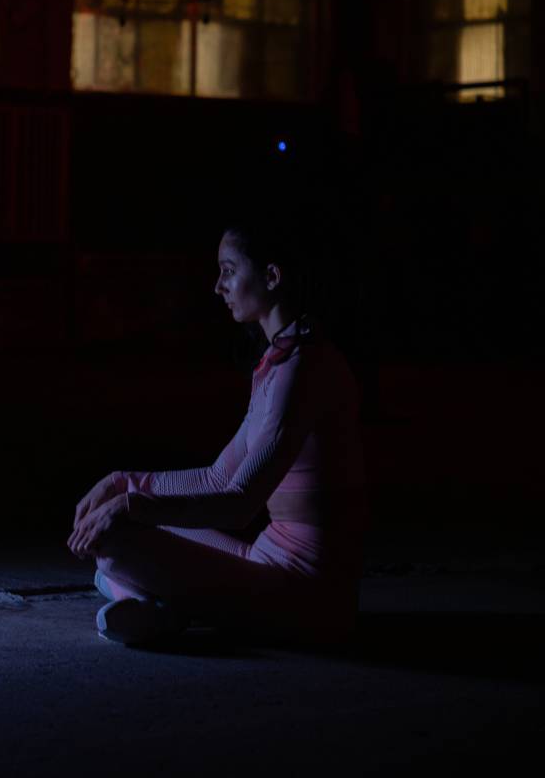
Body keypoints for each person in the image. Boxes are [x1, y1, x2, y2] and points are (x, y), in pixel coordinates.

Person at [68, 216, 368, 647]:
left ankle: (167, 606)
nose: (217, 286)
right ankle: (166, 608)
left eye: (228, 271)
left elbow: (237, 505)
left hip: (309, 597)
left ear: (271, 276)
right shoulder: (282, 360)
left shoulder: (304, 370)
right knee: (108, 547)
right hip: (266, 562)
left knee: (116, 547)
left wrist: (131, 506)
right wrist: (122, 483)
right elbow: (216, 477)